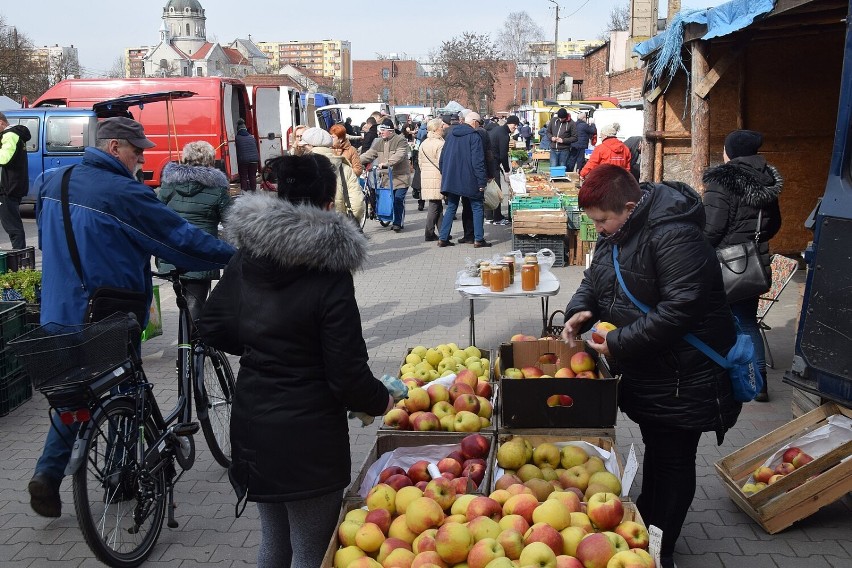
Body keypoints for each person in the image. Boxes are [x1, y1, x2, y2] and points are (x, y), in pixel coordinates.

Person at [197, 153, 404, 568]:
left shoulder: (247, 255)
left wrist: (263, 347)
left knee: (273, 541)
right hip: (308, 436)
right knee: (313, 550)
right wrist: (384, 401)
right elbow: (345, 372)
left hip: (255, 421)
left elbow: (213, 326)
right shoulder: (329, 272)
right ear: (329, 204)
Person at [28, 117, 235, 518]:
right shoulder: (123, 191)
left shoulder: (56, 180)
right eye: (136, 150)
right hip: (107, 312)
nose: (142, 157)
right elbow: (178, 238)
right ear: (113, 147)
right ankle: (120, 479)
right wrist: (237, 258)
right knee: (125, 390)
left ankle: (47, 476)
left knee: (74, 395)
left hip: (57, 309)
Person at [560, 164, 741, 568]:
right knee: (658, 453)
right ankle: (646, 525)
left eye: (603, 221)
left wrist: (618, 343)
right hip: (652, 370)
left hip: (686, 373)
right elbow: (595, 279)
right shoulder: (619, 231)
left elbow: (681, 309)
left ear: (629, 205)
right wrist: (580, 310)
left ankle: (662, 547)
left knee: (673, 460)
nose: (600, 229)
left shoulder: (675, 234)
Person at [702, 129, 783, 402]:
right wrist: (752, 242)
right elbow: (775, 224)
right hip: (754, 263)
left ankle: (723, 379)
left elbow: (711, 229)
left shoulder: (722, 180)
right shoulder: (768, 180)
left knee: (716, 320)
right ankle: (758, 383)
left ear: (731, 152)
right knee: (747, 321)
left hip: (724, 265)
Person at [156, 141, 233, 323]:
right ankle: (190, 347)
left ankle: (187, 342)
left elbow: (156, 214)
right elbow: (231, 222)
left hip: (172, 252)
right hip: (202, 253)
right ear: (210, 160)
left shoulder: (169, 184)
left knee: (184, 302)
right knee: (195, 302)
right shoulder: (218, 188)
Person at [436, 111, 490, 248]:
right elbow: (478, 161)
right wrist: (481, 181)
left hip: (451, 177)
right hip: (469, 178)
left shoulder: (450, 135)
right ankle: (478, 239)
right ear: (475, 122)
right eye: (479, 123)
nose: (479, 126)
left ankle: (443, 238)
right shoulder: (474, 136)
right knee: (477, 207)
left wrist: (445, 174)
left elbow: (442, 159)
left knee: (451, 207)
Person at [300, 127, 365, 223]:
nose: (302, 148)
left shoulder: (302, 167)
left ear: (310, 145)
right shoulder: (344, 167)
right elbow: (357, 204)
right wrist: (350, 224)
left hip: (309, 226)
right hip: (338, 223)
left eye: (304, 146)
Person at [360, 118, 411, 232]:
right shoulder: (379, 143)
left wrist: (387, 164)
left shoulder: (400, 140)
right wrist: (356, 161)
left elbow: (400, 155)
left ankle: (397, 223)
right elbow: (369, 154)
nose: (381, 132)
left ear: (391, 130)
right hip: (386, 179)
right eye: (380, 130)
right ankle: (389, 217)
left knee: (398, 199)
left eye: (383, 130)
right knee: (389, 200)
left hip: (400, 177)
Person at [0, 112, 30, 249]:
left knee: (12, 226)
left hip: (8, 188)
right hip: (12, 186)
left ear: (1, 122)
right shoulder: (13, 135)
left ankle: (20, 259)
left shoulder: (10, 135)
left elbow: (4, 158)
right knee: (12, 224)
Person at [487, 114, 519, 226]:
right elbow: (503, 156)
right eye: (514, 125)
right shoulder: (504, 135)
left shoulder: (498, 129)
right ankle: (497, 218)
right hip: (494, 163)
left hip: (489, 162)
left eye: (516, 126)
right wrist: (507, 170)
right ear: (509, 123)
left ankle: (489, 216)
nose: (515, 127)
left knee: (490, 189)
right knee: (497, 190)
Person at [419, 118, 446, 242]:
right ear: (435, 129)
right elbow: (442, 162)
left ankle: (442, 231)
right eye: (441, 126)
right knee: (434, 205)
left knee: (436, 204)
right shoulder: (440, 144)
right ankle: (429, 233)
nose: (443, 128)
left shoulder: (424, 143)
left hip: (426, 175)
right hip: (437, 176)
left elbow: (419, 162)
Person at [235, 118, 259, 192]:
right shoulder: (251, 137)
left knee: (243, 177)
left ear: (238, 130)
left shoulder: (237, 138)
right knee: (252, 176)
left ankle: (244, 193)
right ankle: (254, 192)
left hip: (243, 161)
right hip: (254, 160)